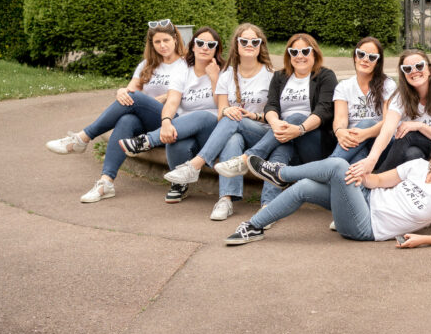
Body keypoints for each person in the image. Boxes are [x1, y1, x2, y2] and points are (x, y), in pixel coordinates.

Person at [227, 130, 431, 247]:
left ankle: (280, 174)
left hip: (367, 226)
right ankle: (253, 226)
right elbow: (378, 181)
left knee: (338, 165)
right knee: (306, 186)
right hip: (365, 198)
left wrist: (423, 240)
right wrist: (360, 176)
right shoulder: (416, 165)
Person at [46, 19, 187, 203]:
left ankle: (83, 138)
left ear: (175, 39)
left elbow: (181, 96)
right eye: (157, 42)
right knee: (126, 120)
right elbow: (130, 93)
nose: (162, 46)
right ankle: (106, 182)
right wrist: (121, 92)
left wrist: (152, 99)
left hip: (173, 122)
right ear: (151, 44)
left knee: (135, 100)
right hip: (149, 122)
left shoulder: (186, 64)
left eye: (166, 40)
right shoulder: (147, 64)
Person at [146, 24, 274, 220]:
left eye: (254, 41)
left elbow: (274, 115)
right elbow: (222, 112)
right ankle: (226, 200)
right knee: (232, 136)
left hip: (259, 133)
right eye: (244, 41)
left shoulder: (271, 75)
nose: (249, 45)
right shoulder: (227, 75)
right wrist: (229, 110)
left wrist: (252, 116)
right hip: (234, 132)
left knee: (235, 118)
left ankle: (195, 165)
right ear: (237, 45)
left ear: (260, 46)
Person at [214, 33, 336, 214]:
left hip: (311, 142)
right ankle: (268, 206)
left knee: (294, 118)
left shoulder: (325, 76)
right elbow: (271, 105)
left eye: (305, 51)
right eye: (294, 51)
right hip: (283, 137)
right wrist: (277, 124)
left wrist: (299, 129)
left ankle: (246, 159)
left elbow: (324, 110)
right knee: (277, 145)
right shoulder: (280, 76)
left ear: (314, 53)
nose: (299, 55)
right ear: (288, 54)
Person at [118, 27, 224, 203]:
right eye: (200, 43)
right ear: (193, 46)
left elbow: (221, 105)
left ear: (217, 49)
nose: (205, 47)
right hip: (184, 128)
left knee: (203, 115)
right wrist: (166, 122)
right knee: (174, 137)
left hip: (212, 131)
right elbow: (173, 101)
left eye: (210, 44)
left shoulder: (224, 70)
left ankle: (147, 140)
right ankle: (179, 184)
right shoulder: (183, 70)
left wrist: (214, 79)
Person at [344, 49, 431, 185]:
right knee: (413, 154)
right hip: (415, 151)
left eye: (419, 66)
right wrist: (371, 159)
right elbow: (387, 130)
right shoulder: (401, 97)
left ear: (429, 69)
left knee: (409, 133)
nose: (414, 71)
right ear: (403, 74)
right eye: (407, 68)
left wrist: (420, 126)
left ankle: (375, 181)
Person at [330, 37, 397, 164]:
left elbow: (388, 122)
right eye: (361, 54)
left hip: (381, 144)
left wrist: (365, 133)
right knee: (352, 164)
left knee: (367, 123)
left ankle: (330, 165)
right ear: (355, 57)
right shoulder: (343, 86)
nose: (365, 59)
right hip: (352, 143)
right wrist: (340, 132)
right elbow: (340, 119)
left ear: (377, 62)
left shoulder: (388, 85)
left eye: (372, 57)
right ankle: (336, 171)